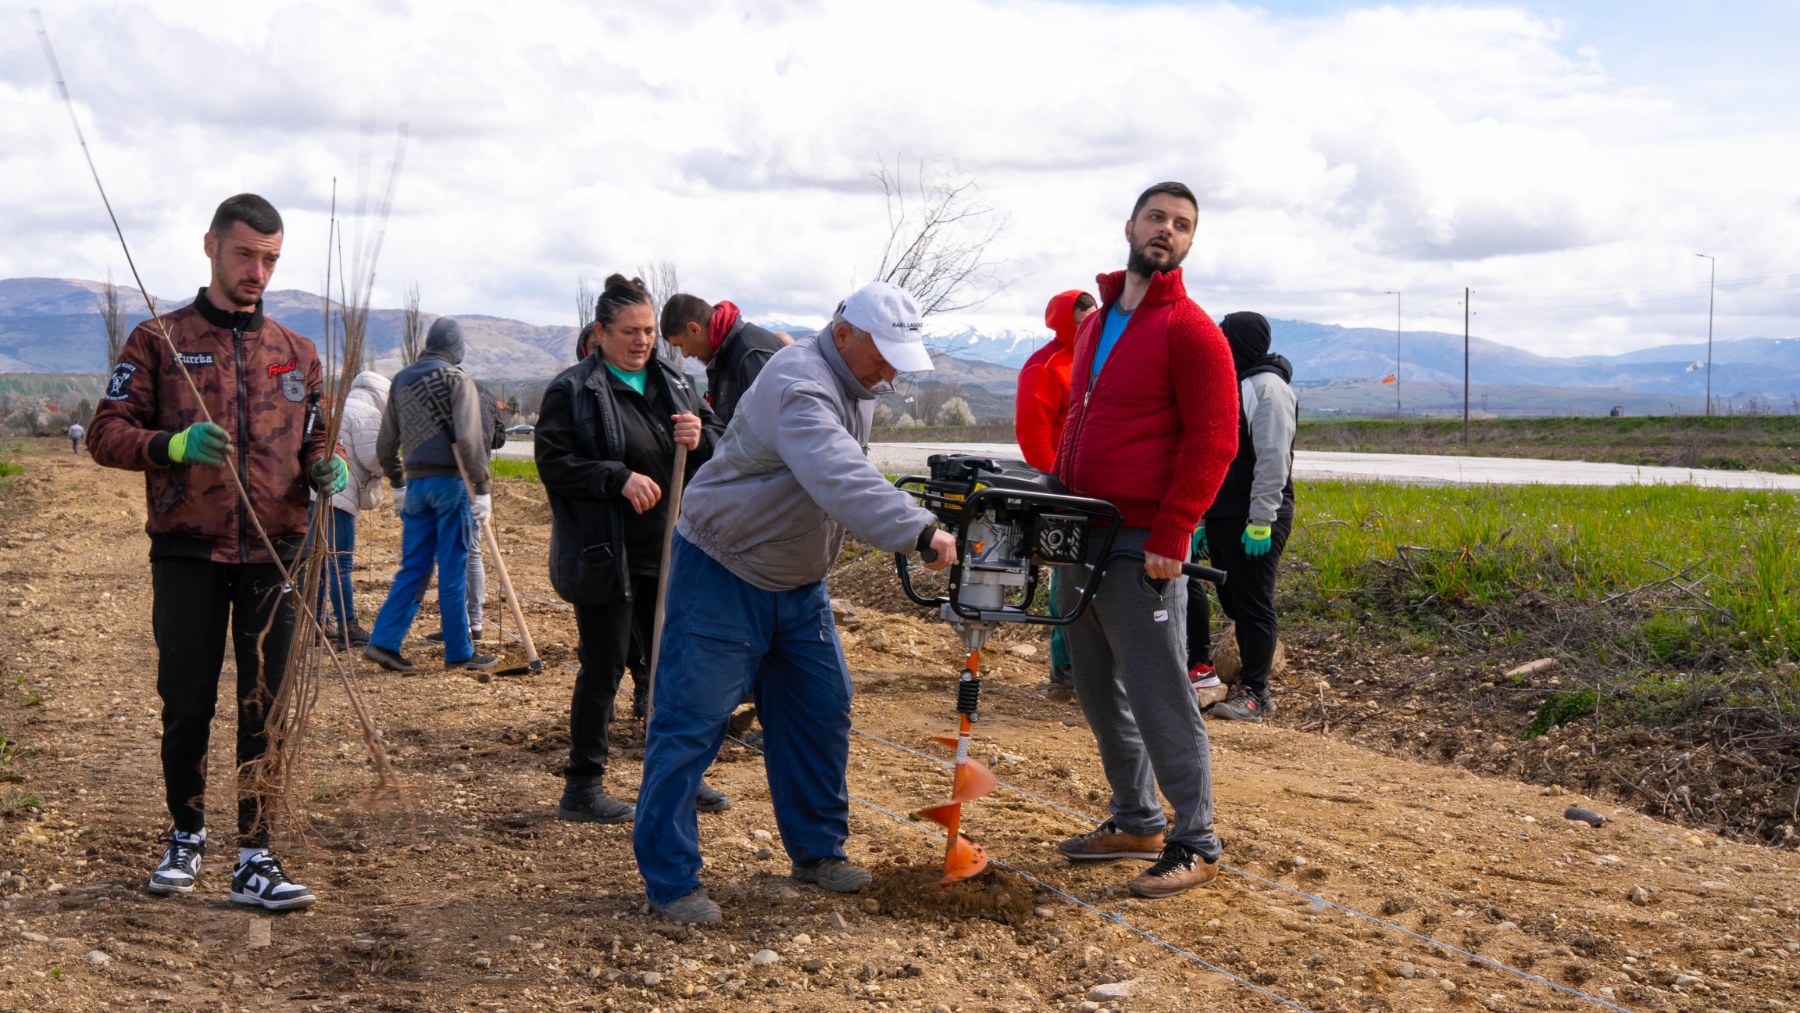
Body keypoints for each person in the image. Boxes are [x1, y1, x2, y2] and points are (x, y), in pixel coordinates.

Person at [632, 280, 958, 925]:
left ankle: (817, 851)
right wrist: (919, 529)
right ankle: (670, 881)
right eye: (884, 356)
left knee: (819, 708)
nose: (891, 373)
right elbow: (837, 471)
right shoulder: (799, 382)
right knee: (691, 721)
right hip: (725, 567)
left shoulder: (855, 385)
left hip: (797, 580)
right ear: (845, 335)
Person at [88, 192, 343, 911]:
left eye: (270, 259)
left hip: (277, 550)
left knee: (265, 705)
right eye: (245, 255)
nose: (257, 271)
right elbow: (106, 432)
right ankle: (187, 832)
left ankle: (256, 855)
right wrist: (171, 445)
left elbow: (316, 435)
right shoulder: (159, 340)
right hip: (188, 551)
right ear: (211, 247)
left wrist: (326, 464)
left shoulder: (298, 352)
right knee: (186, 700)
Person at [1050, 181, 1239, 899]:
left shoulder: (1191, 330)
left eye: (1182, 225)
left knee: (1160, 694)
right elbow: (1079, 419)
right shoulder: (1096, 323)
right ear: (1129, 226)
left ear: (1190, 242)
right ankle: (1136, 819)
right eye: (1157, 217)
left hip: (1142, 540)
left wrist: (1175, 528)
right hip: (1083, 533)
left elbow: (1216, 439)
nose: (1167, 230)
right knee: (1097, 688)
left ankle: (1198, 839)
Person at [536, 275, 726, 824]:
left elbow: (720, 440)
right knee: (605, 666)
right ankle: (582, 788)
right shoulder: (573, 390)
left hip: (669, 549)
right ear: (600, 332)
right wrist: (615, 478)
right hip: (606, 552)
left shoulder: (676, 381)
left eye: (648, 331)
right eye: (629, 331)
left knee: (671, 667)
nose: (642, 341)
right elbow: (554, 463)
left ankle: (677, 776)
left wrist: (702, 435)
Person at [362, 317, 498, 673]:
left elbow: (385, 443)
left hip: (416, 487)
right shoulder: (457, 379)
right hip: (452, 485)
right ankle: (460, 653)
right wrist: (482, 489)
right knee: (453, 570)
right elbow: (469, 441)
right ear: (457, 348)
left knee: (414, 568)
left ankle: (384, 642)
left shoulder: (402, 379)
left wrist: (397, 483)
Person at [1187, 311, 1297, 722]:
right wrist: (1205, 520)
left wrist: (1262, 519)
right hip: (1226, 512)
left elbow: (1272, 457)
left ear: (1238, 343)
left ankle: (1256, 692)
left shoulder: (1267, 388)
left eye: (1223, 339)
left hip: (1257, 514)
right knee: (1234, 600)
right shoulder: (1237, 384)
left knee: (1253, 602)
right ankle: (1248, 681)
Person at [1014, 289, 1096, 691]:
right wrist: (1057, 488)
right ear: (1064, 322)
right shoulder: (1044, 366)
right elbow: (1033, 435)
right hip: (1064, 486)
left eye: (1093, 321)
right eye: (1081, 322)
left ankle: (1093, 663)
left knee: (1096, 571)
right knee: (1068, 570)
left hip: (1098, 481)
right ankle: (1066, 663)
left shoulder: (1099, 358)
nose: (1088, 328)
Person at [422, 386, 507, 643]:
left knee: (454, 552)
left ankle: (460, 624)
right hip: (478, 479)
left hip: (451, 481)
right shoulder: (486, 395)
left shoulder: (444, 396)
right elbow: (499, 439)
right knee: (472, 550)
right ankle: (474, 622)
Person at [315, 370, 390, 648]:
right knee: (341, 564)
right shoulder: (368, 414)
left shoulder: (339, 408)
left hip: (317, 491)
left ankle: (317, 623)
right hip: (341, 494)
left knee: (319, 561)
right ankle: (348, 626)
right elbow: (374, 458)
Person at [660, 294, 791, 424]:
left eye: (681, 345)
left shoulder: (751, 356)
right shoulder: (724, 355)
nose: (685, 354)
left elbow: (775, 427)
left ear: (694, 329)